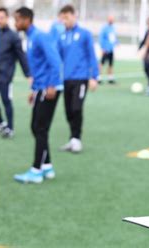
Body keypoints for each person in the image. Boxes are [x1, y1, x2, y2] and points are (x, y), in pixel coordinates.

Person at [13, 7, 63, 184]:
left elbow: (55, 60)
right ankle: (47, 166)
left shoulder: (40, 36)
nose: (15, 23)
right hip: (40, 88)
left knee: (39, 128)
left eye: (17, 19)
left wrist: (51, 85)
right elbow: (39, 67)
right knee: (36, 128)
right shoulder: (31, 38)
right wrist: (34, 90)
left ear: (27, 19)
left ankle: (36, 170)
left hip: (49, 89)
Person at [57, 5, 98, 153]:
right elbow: (57, 57)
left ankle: (76, 139)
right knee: (68, 110)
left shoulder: (84, 34)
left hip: (81, 78)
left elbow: (92, 56)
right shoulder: (62, 36)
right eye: (62, 18)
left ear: (75, 16)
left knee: (76, 107)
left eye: (67, 17)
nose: (64, 21)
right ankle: (72, 138)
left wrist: (94, 77)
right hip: (66, 79)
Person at [0, 7, 31, 138]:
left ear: (7, 18)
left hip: (5, 76)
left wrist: (28, 74)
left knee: (6, 100)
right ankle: (1, 122)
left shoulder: (13, 36)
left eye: (1, 18)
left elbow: (21, 56)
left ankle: (10, 127)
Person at [99, 14, 118, 84]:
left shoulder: (113, 28)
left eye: (112, 19)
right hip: (105, 49)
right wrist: (103, 48)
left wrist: (117, 43)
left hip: (111, 49)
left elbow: (113, 38)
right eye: (110, 19)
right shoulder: (104, 28)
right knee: (102, 63)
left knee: (111, 64)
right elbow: (101, 38)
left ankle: (110, 78)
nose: (111, 20)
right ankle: (98, 77)